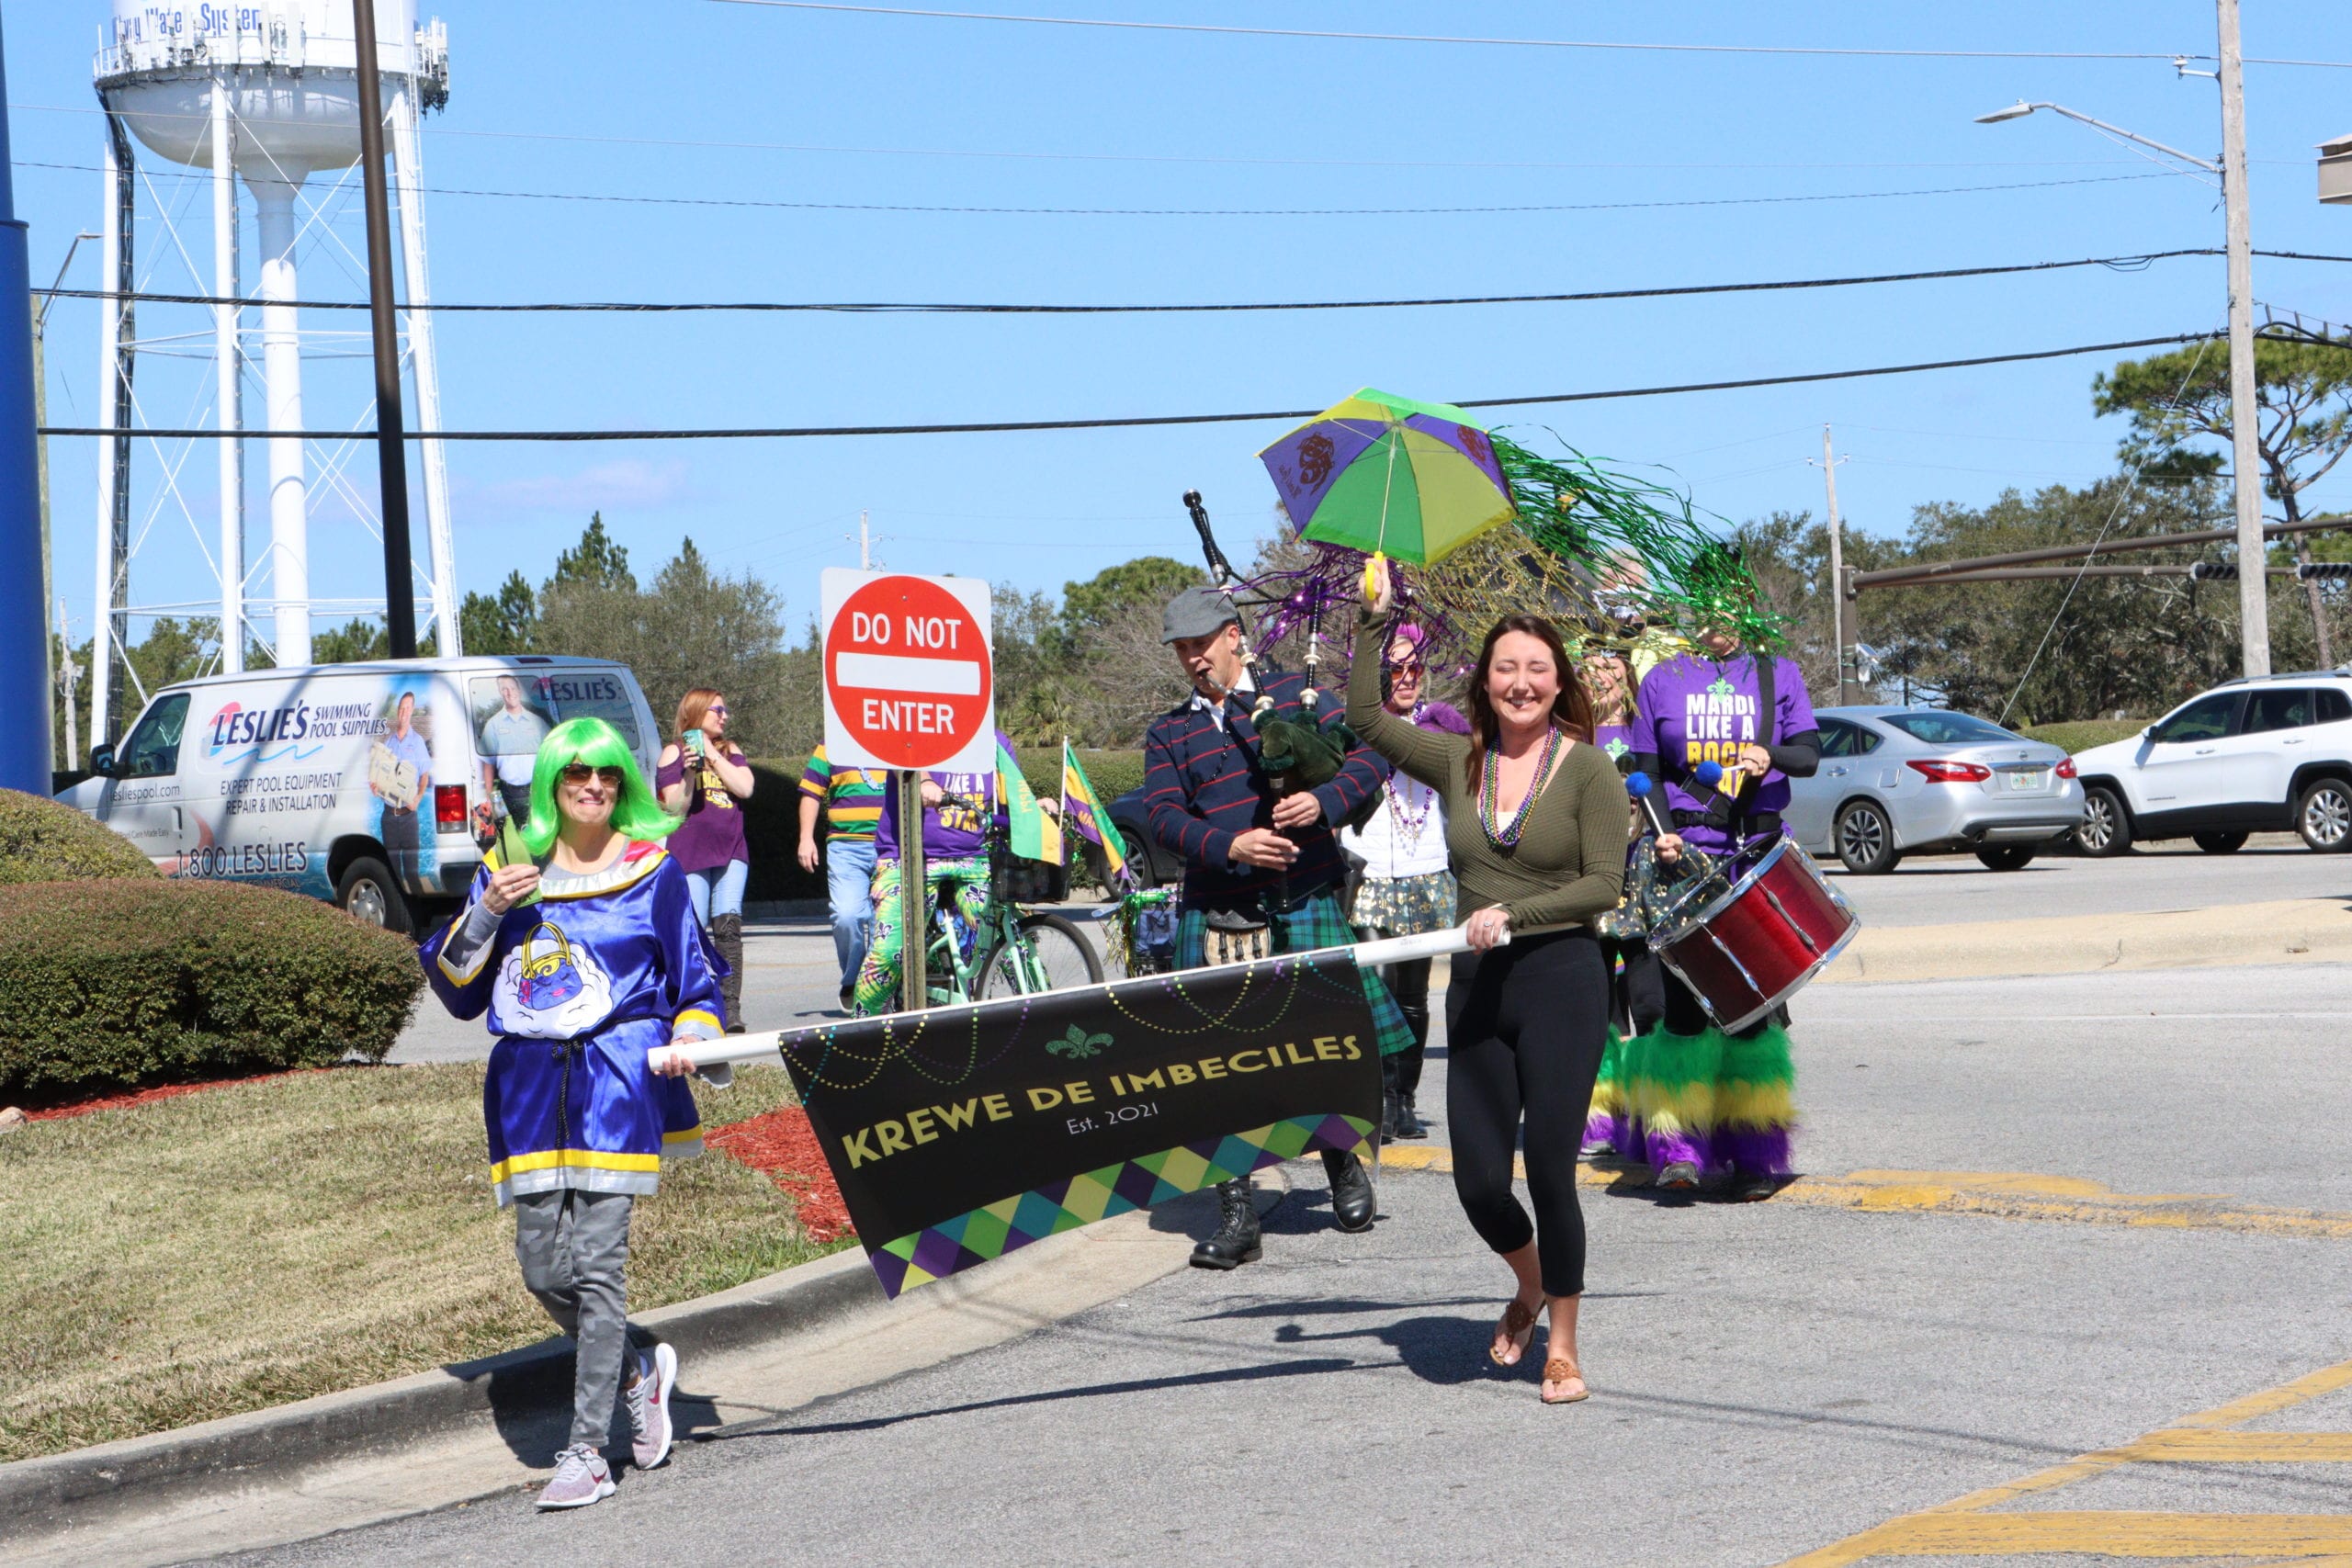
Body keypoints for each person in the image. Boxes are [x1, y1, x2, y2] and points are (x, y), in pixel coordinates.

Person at [419, 717, 726, 1510]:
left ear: (624, 784)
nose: (593, 786)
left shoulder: (653, 871)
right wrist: (486, 909)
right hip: (526, 1094)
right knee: (542, 1267)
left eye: (609, 776)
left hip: (618, 1083)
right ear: (553, 784)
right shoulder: (509, 870)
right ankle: (634, 1366)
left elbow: (695, 983)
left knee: (596, 1264)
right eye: (576, 774)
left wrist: (691, 1036)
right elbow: (456, 988)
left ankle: (588, 1449)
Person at [1350, 562, 1628, 1406]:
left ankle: (1566, 1345)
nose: (1521, 683)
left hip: (1563, 981)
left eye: (1537, 669)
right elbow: (1365, 716)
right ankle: (1529, 1281)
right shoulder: (1457, 759)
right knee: (1477, 1181)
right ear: (1484, 681)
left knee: (1548, 1165)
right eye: (1506, 667)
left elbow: (1602, 885)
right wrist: (1373, 620)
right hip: (1476, 983)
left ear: (1559, 682)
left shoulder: (1589, 770)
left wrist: (1514, 915)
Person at [1143, 585, 1413, 1270]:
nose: (1193, 659)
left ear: (1235, 635)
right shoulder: (1168, 732)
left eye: (1202, 643)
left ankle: (1340, 1164)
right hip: (1217, 910)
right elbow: (1164, 816)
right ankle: (1236, 1211)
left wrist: (1322, 800)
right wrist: (1231, 847)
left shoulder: (1299, 695)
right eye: (1181, 649)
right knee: (1219, 1069)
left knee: (1320, 1046)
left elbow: (1371, 755)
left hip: (1305, 896)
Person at [1627, 619, 1820, 1201]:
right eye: (1703, 611)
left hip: (1751, 856)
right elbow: (1646, 769)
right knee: (1683, 1011)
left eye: (1726, 609)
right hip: (1680, 858)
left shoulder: (1776, 673)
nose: (1715, 625)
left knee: (1752, 1010)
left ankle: (1755, 1151)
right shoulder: (1663, 678)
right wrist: (1662, 833)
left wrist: (1770, 753)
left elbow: (1809, 755)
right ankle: (1678, 1151)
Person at [1340, 623, 1466, 1141]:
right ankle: (1375, 1096)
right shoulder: (1358, 727)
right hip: (1370, 872)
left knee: (1415, 997)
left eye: (1416, 667)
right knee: (1379, 990)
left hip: (1427, 871)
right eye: (1396, 667)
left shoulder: (1439, 729)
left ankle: (1403, 1101)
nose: (1408, 677)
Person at [853, 730, 1016, 1017]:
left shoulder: (995, 741)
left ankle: (1043, 1009)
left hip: (971, 858)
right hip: (907, 856)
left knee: (1004, 933)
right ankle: (861, 1034)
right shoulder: (924, 720)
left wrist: (1037, 807)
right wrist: (925, 780)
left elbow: (1015, 796)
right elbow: (899, 753)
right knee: (890, 953)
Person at [1579, 642, 1666, 1158]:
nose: (1603, 678)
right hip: (1593, 882)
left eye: (1612, 668)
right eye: (1592, 671)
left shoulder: (1642, 734)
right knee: (1601, 1011)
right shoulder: (1572, 737)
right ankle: (1602, 1119)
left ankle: (1656, 1111)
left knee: (1650, 1001)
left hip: (1643, 881)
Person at [657, 690, 755, 1033]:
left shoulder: (730, 751)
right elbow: (674, 808)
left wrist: (712, 754)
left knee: (728, 927)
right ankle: (699, 1003)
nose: (724, 716)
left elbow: (744, 789)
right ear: (697, 712)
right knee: (694, 929)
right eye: (718, 710)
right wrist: (687, 772)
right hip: (691, 853)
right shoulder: (672, 752)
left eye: (725, 710)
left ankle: (730, 1008)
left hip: (731, 850)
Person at [797, 744, 887, 1014]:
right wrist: (805, 838)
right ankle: (852, 980)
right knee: (847, 916)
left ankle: (874, 986)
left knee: (883, 923)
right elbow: (811, 792)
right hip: (846, 848)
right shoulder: (832, 744)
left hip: (892, 847)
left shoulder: (894, 739)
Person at [374, 691, 432, 886]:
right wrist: (374, 784)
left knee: (412, 873)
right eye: (401, 708)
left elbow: (425, 775)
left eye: (407, 708)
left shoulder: (417, 742)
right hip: (389, 816)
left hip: (408, 817)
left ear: (412, 710)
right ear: (397, 711)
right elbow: (380, 773)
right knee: (392, 876)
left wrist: (419, 797)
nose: (404, 712)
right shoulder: (388, 742)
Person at [479, 672, 552, 826]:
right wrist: (488, 797)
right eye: (504, 689)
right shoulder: (493, 725)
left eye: (512, 688)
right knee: (510, 838)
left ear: (519, 691)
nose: (509, 693)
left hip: (535, 791)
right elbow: (488, 764)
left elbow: (551, 754)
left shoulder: (537, 722)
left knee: (536, 837)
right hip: (507, 794)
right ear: (500, 693)